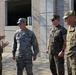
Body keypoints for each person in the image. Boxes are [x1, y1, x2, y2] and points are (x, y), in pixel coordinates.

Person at [63, 10, 76, 75]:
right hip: (69, 56)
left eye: (66, 18)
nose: (65, 20)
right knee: (69, 72)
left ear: (72, 18)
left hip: (74, 58)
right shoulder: (69, 28)